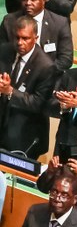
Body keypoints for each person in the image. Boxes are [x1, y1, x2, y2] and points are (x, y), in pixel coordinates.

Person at [0, 16, 57, 159]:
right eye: (17, 37)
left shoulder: (46, 66)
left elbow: (38, 103)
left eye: (25, 38)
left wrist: (9, 91)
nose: (20, 43)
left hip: (25, 134)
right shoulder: (4, 51)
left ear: (35, 38)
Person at [0, 0, 73, 74]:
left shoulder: (60, 23)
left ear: (43, 0)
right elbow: (2, 53)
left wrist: (42, 72)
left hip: (47, 75)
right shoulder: (9, 21)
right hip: (13, 73)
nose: (28, 3)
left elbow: (66, 59)